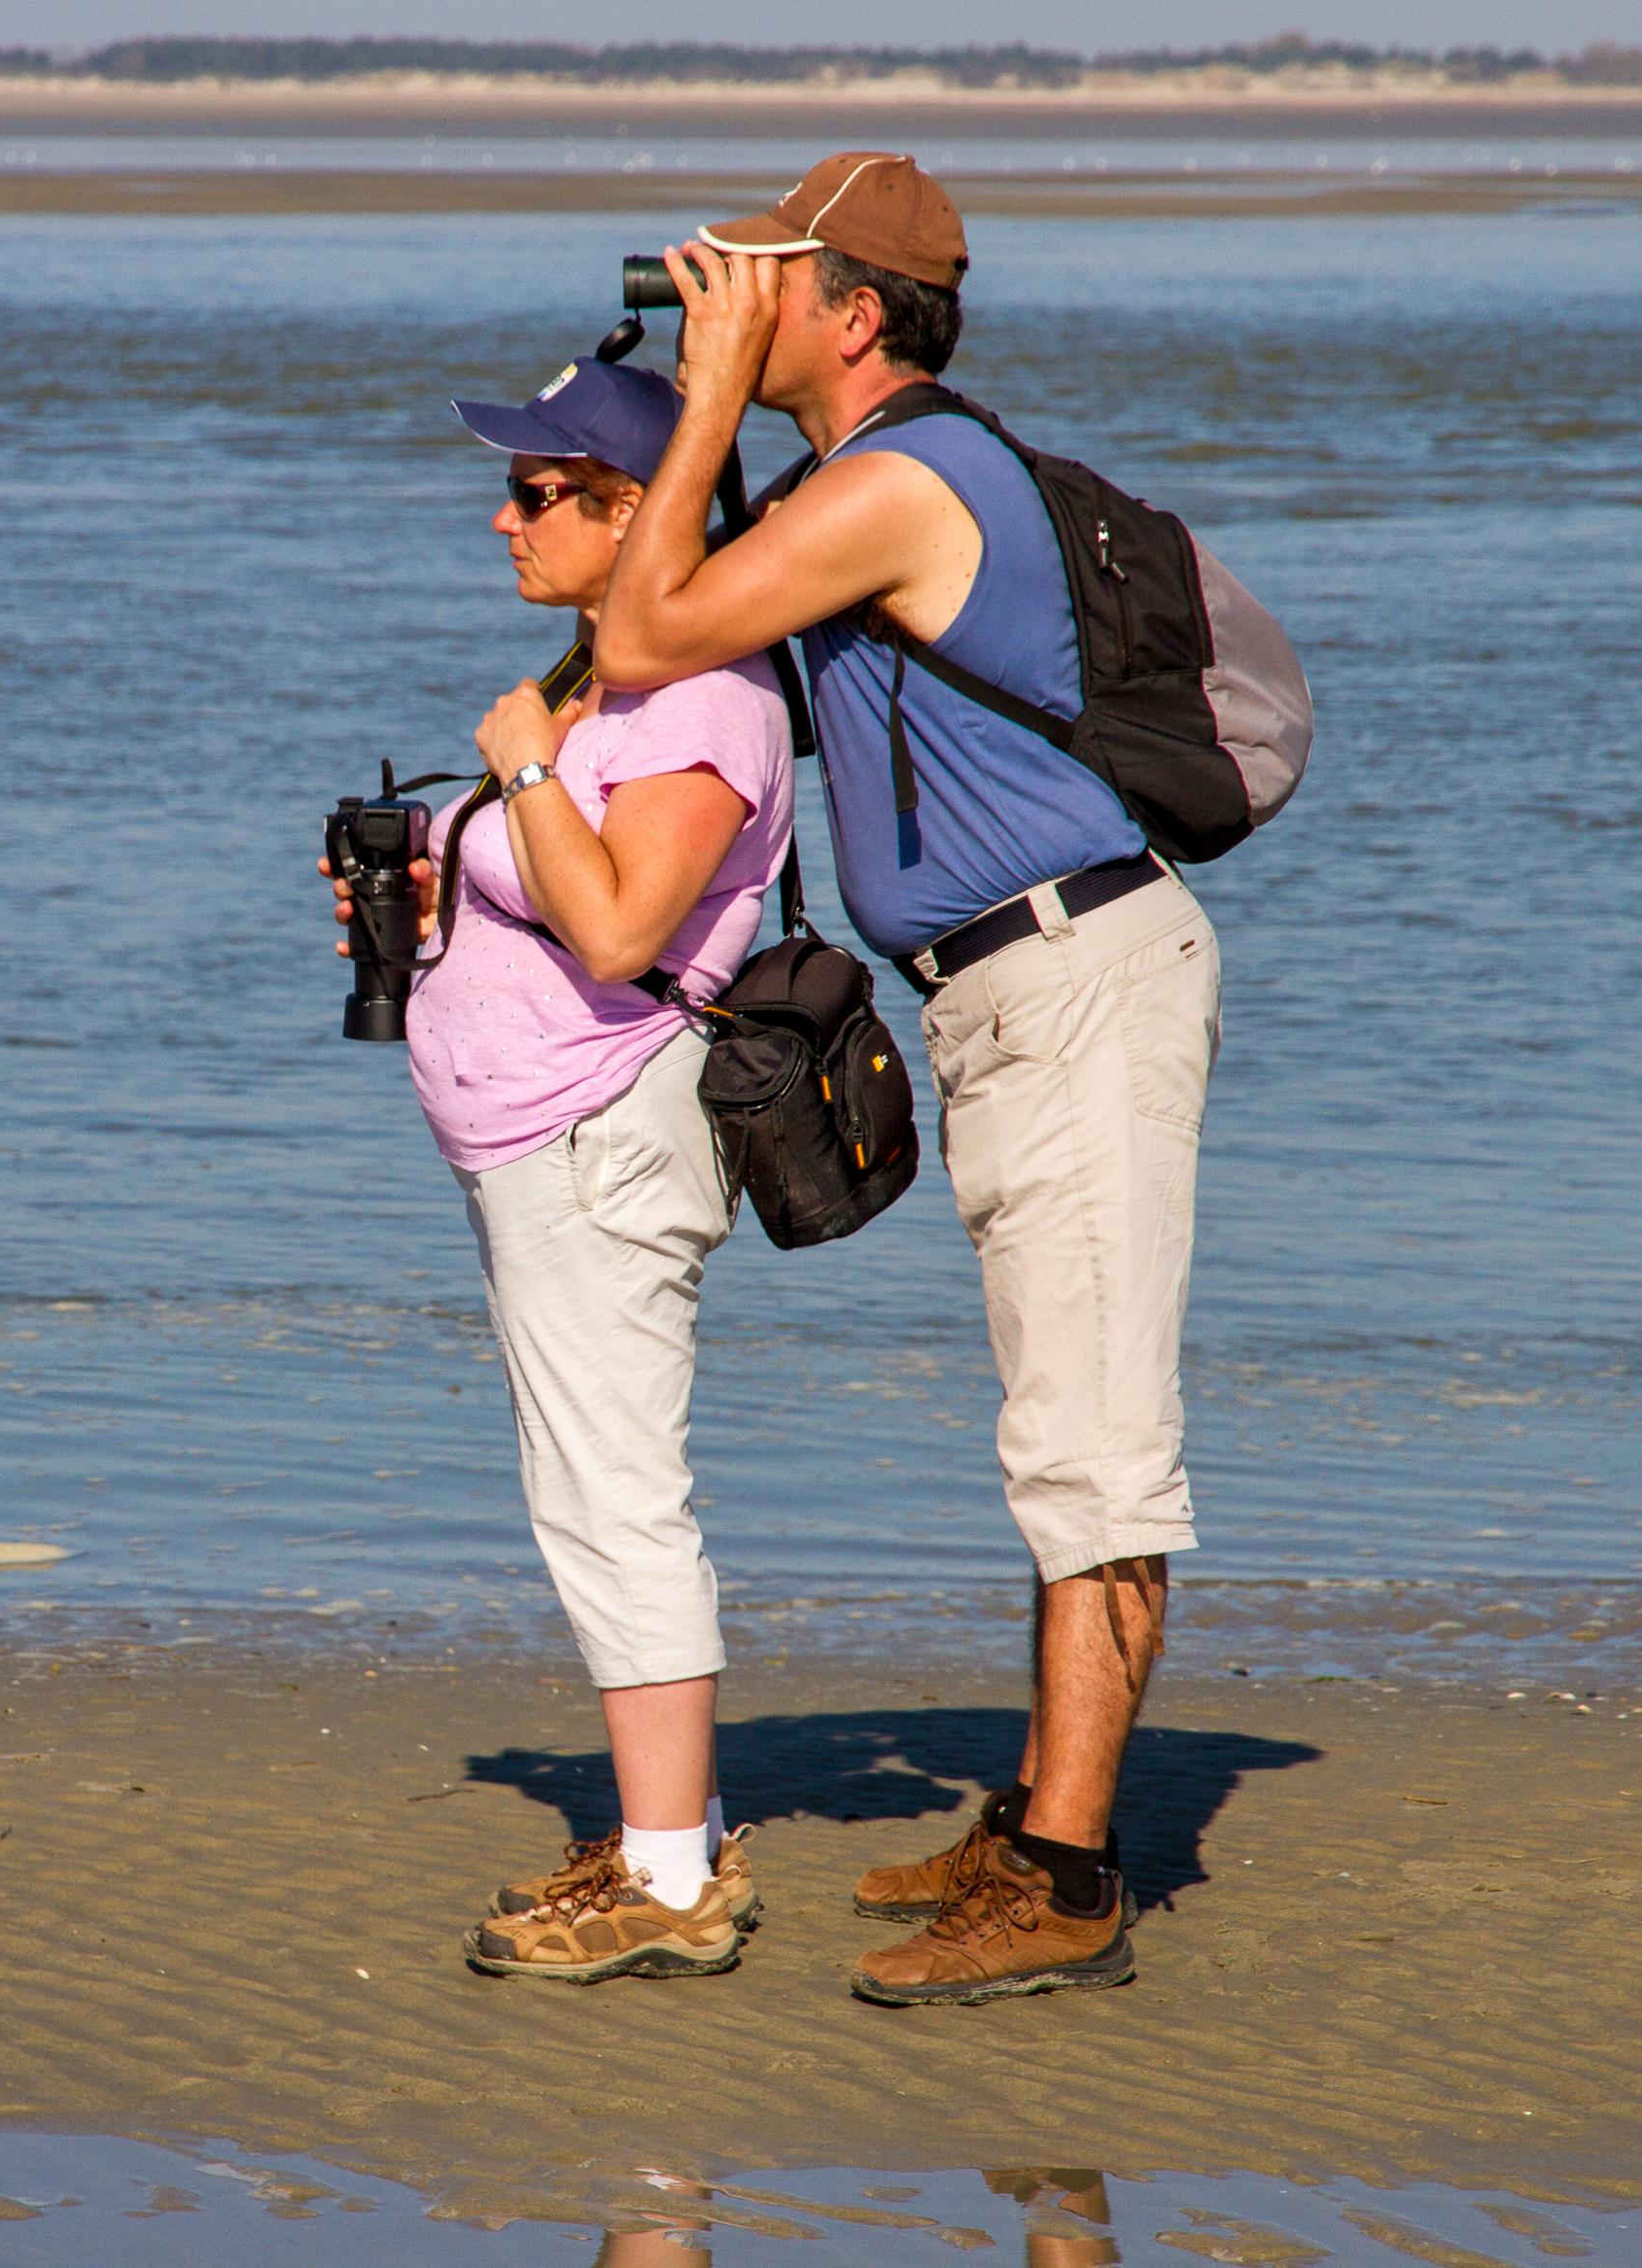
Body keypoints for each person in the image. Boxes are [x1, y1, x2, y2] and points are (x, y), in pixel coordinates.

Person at [595, 152, 1224, 2006]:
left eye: (769, 277)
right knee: (1056, 1416)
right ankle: (1037, 1797)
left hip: (1076, 976)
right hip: (1011, 990)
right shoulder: (846, 485)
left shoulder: (900, 483)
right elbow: (658, 654)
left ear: (853, 313)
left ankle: (1071, 1875)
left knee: (1092, 1447)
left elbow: (648, 631)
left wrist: (700, 394)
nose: (737, 293)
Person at [327, 355, 793, 1982]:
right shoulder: (603, 687)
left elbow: (618, 924)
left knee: (614, 1496)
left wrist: (519, 763)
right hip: (543, 1142)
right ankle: (668, 1826)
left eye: (541, 493)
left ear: (638, 513)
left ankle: (675, 1876)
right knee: (579, 1490)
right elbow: (554, 895)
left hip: (605, 1142)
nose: (505, 516)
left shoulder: (707, 695)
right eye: (513, 487)